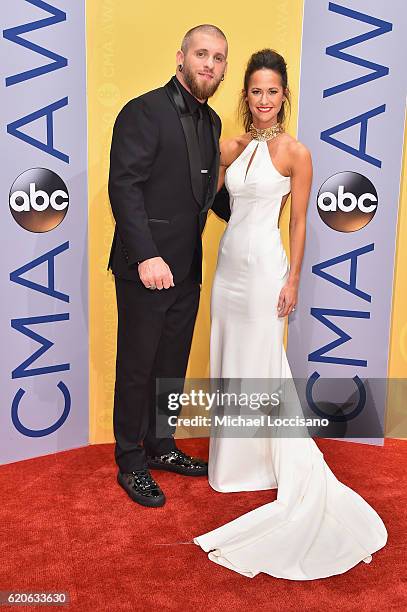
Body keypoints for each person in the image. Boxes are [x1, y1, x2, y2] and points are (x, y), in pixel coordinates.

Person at [194, 49, 387, 579]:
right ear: (245, 95)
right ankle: (231, 466)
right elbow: (206, 198)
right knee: (231, 360)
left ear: (284, 95)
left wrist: (293, 279)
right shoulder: (229, 146)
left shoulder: (295, 152)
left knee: (261, 363)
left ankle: (262, 464)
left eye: (272, 91)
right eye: (255, 90)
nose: (262, 99)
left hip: (264, 270)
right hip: (229, 265)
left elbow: (299, 222)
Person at [108, 25, 230, 508]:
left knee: (171, 368)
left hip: (188, 267)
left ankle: (161, 447)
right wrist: (147, 255)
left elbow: (206, 193)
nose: (210, 64)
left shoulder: (214, 121)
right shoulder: (143, 110)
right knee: (137, 367)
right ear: (181, 57)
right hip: (147, 265)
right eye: (202, 54)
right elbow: (125, 187)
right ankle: (130, 459)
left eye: (219, 58)